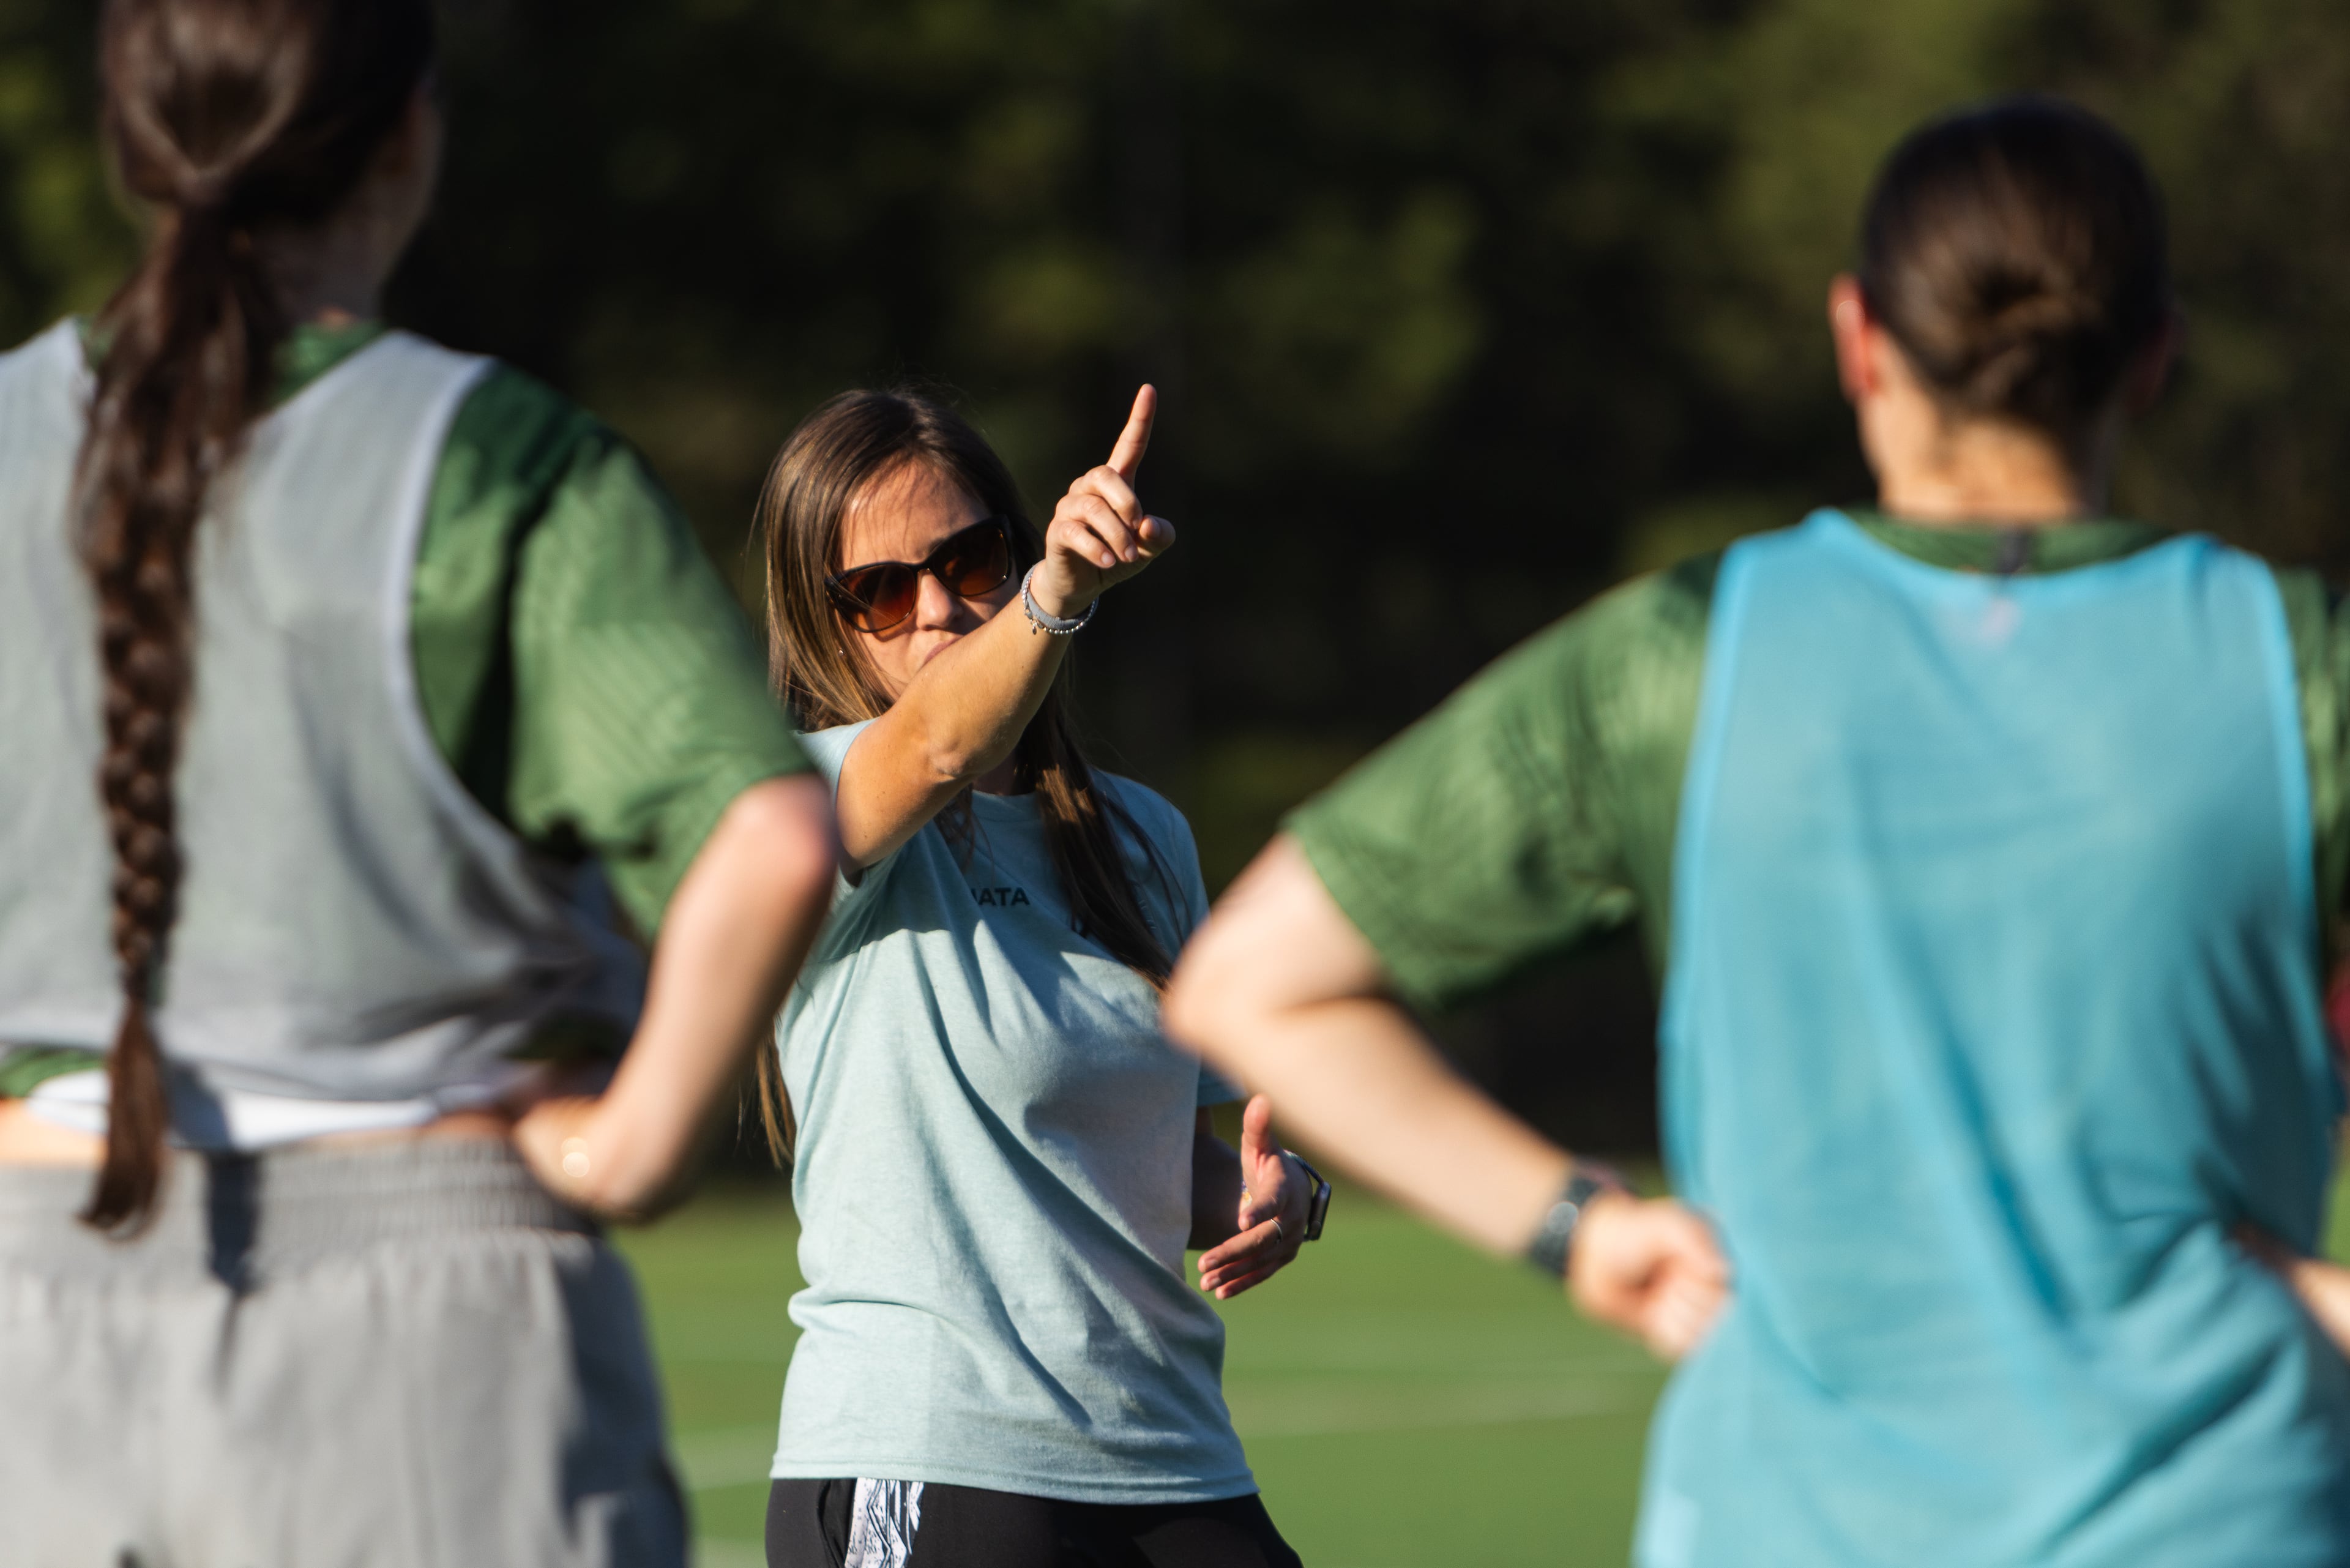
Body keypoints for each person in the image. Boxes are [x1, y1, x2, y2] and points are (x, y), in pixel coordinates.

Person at [1166, 95, 2350, 1566]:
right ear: (2158, 357)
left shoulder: (1690, 654)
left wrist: (1580, 1231)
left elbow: (1249, 984)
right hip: (2227, 1519)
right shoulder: (2294, 662)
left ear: (1860, 340)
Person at [0, 2, 835, 1563]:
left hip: (28, 1320)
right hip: (427, 1319)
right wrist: (635, 1145)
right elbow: (773, 836)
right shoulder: (501, 461)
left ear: (129, 143)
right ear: (409, 134)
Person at [754, 386, 1309, 1568]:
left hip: (1172, 1457)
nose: (940, 608)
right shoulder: (803, 804)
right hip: (929, 1456)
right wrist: (1055, 592)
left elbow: (1144, 1165)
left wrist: (1272, 1197)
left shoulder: (1145, 837)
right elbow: (941, 743)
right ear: (825, 621)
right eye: (883, 590)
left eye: (971, 557)